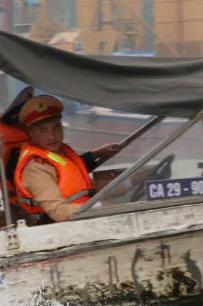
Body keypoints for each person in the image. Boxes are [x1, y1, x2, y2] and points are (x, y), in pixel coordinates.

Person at [13, 95, 122, 224]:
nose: (52, 136)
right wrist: (99, 207)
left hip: (82, 221)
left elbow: (74, 172)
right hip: (60, 232)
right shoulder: (36, 168)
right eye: (43, 130)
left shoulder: (61, 153)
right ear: (31, 133)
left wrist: (98, 154)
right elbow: (58, 212)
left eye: (56, 128)